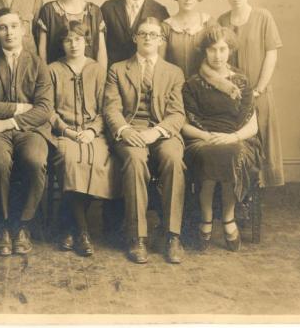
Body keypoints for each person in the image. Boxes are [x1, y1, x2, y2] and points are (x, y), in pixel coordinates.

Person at [103, 17, 186, 265]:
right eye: (143, 34)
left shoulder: (174, 72)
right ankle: (137, 237)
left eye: (153, 34)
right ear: (135, 38)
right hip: (130, 130)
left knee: (173, 159)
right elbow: (111, 108)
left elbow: (177, 113)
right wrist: (125, 130)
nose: (148, 38)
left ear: (161, 40)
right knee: (136, 160)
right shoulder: (117, 69)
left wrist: (157, 131)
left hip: (161, 131)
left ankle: (173, 236)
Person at [0, 8, 54, 256]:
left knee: (35, 160)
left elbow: (44, 109)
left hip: (29, 129)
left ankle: (23, 225)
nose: (9, 32)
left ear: (23, 30)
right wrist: (21, 107)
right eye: (2, 28)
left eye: (13, 26)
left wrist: (8, 122)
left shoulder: (38, 64)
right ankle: (2, 226)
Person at [182, 25, 264, 252]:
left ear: (230, 51)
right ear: (204, 52)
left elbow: (252, 124)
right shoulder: (192, 84)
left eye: (222, 49)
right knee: (210, 155)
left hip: (238, 140)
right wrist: (207, 136)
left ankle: (229, 218)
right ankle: (206, 218)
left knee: (231, 154)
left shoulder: (242, 81)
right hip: (201, 139)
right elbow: (185, 123)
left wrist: (232, 137)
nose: (217, 55)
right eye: (212, 50)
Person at [49, 22, 119, 256]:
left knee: (98, 161)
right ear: (62, 43)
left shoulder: (98, 70)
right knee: (70, 160)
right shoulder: (53, 70)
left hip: (93, 133)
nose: (73, 44)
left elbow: (106, 108)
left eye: (78, 39)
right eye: (68, 40)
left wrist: (92, 130)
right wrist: (65, 131)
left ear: (87, 41)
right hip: (64, 133)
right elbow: (48, 109)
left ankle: (69, 225)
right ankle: (83, 232)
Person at [217, 0, 284, 187]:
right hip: (231, 92)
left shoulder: (262, 16)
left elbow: (271, 53)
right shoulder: (222, 20)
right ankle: (238, 188)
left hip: (258, 89)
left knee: (260, 135)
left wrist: (258, 89)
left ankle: (258, 190)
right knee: (236, 138)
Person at [37, 0, 107, 69]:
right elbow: (42, 50)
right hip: (57, 74)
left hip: (89, 73)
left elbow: (101, 49)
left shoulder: (94, 11)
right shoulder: (49, 10)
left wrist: (101, 76)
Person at [161, 0, 212, 78]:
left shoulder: (209, 23)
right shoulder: (166, 26)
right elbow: (160, 63)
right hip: (173, 84)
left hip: (204, 84)